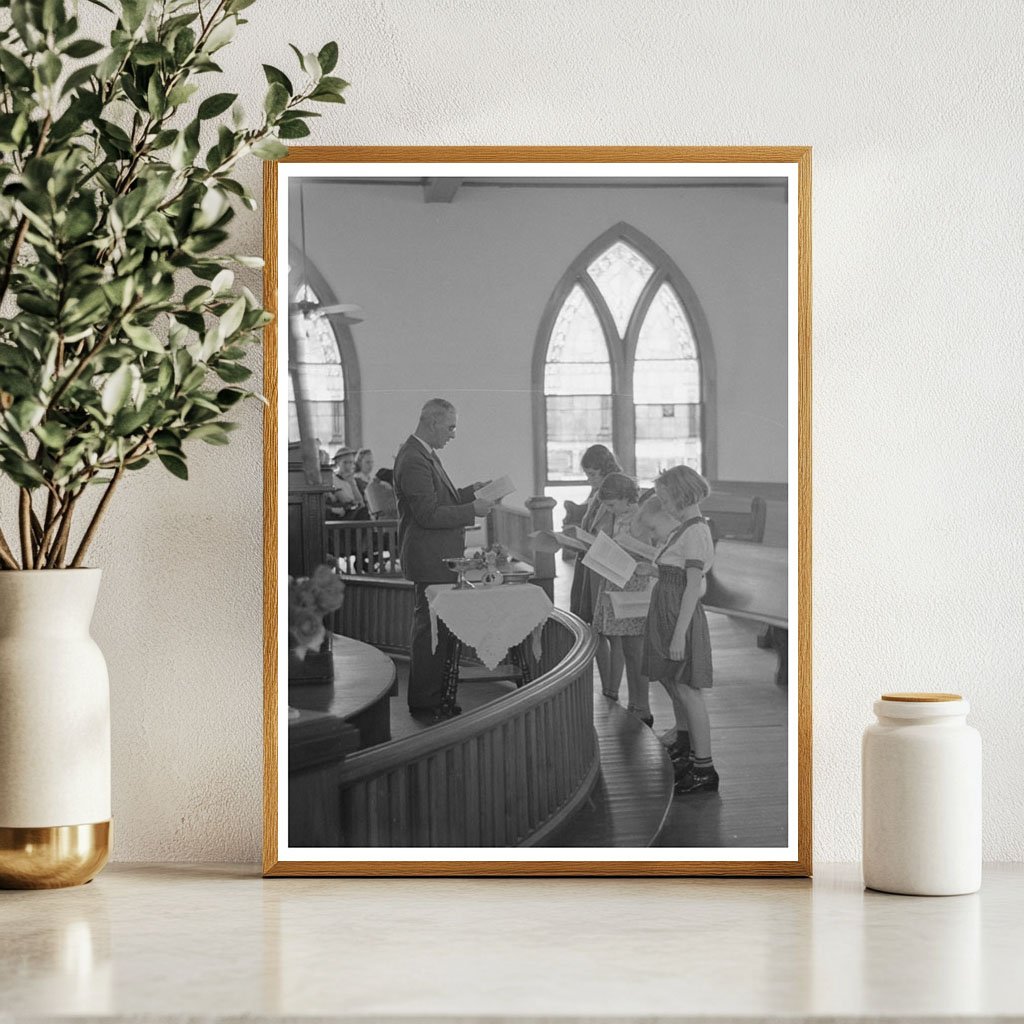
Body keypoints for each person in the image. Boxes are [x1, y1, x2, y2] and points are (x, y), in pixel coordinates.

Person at [393, 399, 493, 721]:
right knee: (429, 631)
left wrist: (470, 493)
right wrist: (471, 511)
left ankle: (436, 695)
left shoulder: (424, 454)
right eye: (450, 427)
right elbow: (427, 514)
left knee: (436, 629)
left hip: (436, 555)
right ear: (433, 422)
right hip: (429, 557)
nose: (453, 434)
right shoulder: (413, 459)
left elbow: (440, 499)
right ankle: (425, 700)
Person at [641, 464, 718, 794]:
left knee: (689, 689)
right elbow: (673, 573)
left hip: (680, 616)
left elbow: (691, 587)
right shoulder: (682, 529)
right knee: (674, 682)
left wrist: (677, 635)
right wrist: (653, 570)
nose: (663, 504)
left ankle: (705, 768)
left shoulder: (697, 531)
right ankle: (688, 749)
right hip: (667, 609)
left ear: (683, 495)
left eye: (666, 498)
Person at [590, 473, 653, 726]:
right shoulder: (621, 516)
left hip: (635, 586)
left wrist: (625, 551)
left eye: (612, 505)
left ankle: (643, 705)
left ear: (628, 498)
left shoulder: (642, 518)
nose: (608, 510)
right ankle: (633, 703)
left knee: (637, 651)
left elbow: (650, 552)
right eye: (606, 505)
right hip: (618, 582)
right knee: (627, 649)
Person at [567, 444, 621, 691]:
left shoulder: (616, 493)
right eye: (587, 473)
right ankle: (607, 686)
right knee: (594, 627)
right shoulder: (595, 493)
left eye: (592, 473)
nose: (589, 479)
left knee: (610, 630)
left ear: (606, 469)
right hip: (590, 564)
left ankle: (612, 687)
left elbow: (615, 532)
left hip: (606, 567)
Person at [326, 446, 368, 520]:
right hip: (343, 514)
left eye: (351, 462)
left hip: (356, 513)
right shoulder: (333, 480)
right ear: (338, 463)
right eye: (345, 463)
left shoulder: (354, 480)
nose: (348, 466)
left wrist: (352, 484)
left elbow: (361, 502)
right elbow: (345, 500)